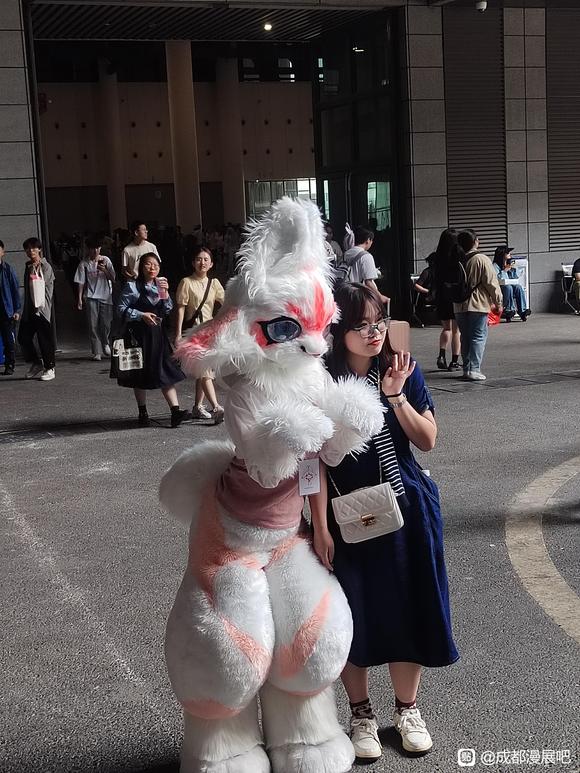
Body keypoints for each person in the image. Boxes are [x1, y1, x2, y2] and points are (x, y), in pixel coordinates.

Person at [311, 282, 459, 763]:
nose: (374, 333)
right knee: (351, 613)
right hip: (344, 516)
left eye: (379, 322)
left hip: (406, 509)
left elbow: (428, 440)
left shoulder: (401, 367)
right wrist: (319, 526)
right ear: (338, 330)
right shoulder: (318, 383)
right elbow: (310, 462)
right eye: (361, 325)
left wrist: (396, 397)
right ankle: (361, 715)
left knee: (409, 606)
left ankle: (407, 710)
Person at [116, 253, 188, 428]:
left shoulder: (160, 286)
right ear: (141, 267)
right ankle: (143, 412)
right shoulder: (132, 286)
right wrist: (141, 315)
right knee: (139, 373)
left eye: (156, 265)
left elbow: (167, 309)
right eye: (148, 264)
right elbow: (120, 309)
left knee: (165, 370)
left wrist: (166, 293)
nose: (152, 268)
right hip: (138, 336)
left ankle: (175, 411)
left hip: (158, 336)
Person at [174, 247, 226, 423]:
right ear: (193, 262)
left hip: (209, 334)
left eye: (205, 259)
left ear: (211, 264)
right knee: (204, 370)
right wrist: (178, 333)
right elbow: (180, 309)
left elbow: (226, 303)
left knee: (203, 371)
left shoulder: (214, 283)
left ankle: (197, 407)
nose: (202, 262)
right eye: (198, 259)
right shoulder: (186, 282)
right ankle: (216, 407)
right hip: (193, 334)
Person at [453, 230, 503, 382]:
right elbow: (491, 282)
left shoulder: (456, 258)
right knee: (478, 337)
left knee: (465, 337)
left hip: (459, 304)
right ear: (475, 241)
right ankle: (474, 369)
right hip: (478, 304)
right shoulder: (481, 259)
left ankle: (466, 369)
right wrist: (498, 302)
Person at [18, 237, 56, 382]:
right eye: (27, 248)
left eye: (34, 248)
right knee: (23, 337)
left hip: (42, 309)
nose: (31, 251)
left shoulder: (46, 266)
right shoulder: (28, 266)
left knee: (44, 340)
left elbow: (43, 286)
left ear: (39, 249)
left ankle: (50, 367)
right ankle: (36, 363)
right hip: (29, 310)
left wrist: (41, 309)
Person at [74, 235, 116, 360]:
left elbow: (113, 278)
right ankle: (96, 351)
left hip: (106, 296)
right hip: (91, 296)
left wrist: (105, 270)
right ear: (88, 249)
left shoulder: (106, 260)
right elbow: (81, 282)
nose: (95, 251)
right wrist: (79, 299)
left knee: (106, 323)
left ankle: (105, 342)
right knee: (93, 324)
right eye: (93, 248)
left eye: (97, 248)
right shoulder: (84, 264)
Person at [427, 228, 463, 371]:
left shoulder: (437, 257)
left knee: (446, 328)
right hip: (455, 295)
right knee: (456, 331)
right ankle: (454, 362)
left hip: (442, 295)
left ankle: (441, 355)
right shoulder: (458, 255)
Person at [342, 227, 390, 306]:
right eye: (371, 240)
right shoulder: (366, 256)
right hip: (360, 298)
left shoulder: (346, 254)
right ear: (368, 240)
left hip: (347, 296)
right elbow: (368, 283)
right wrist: (380, 297)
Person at [492, 246, 531, 322]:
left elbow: (516, 276)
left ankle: (522, 311)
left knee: (518, 287)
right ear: (502, 255)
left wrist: (513, 269)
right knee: (508, 287)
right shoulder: (495, 266)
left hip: (509, 285)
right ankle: (508, 310)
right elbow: (496, 279)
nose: (510, 254)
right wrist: (504, 271)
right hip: (500, 288)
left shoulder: (509, 263)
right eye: (507, 253)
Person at [0, 240, 21, 376]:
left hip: (5, 310)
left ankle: (9, 365)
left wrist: (16, 310)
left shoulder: (7, 269)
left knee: (8, 340)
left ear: (3, 252)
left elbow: (15, 290)